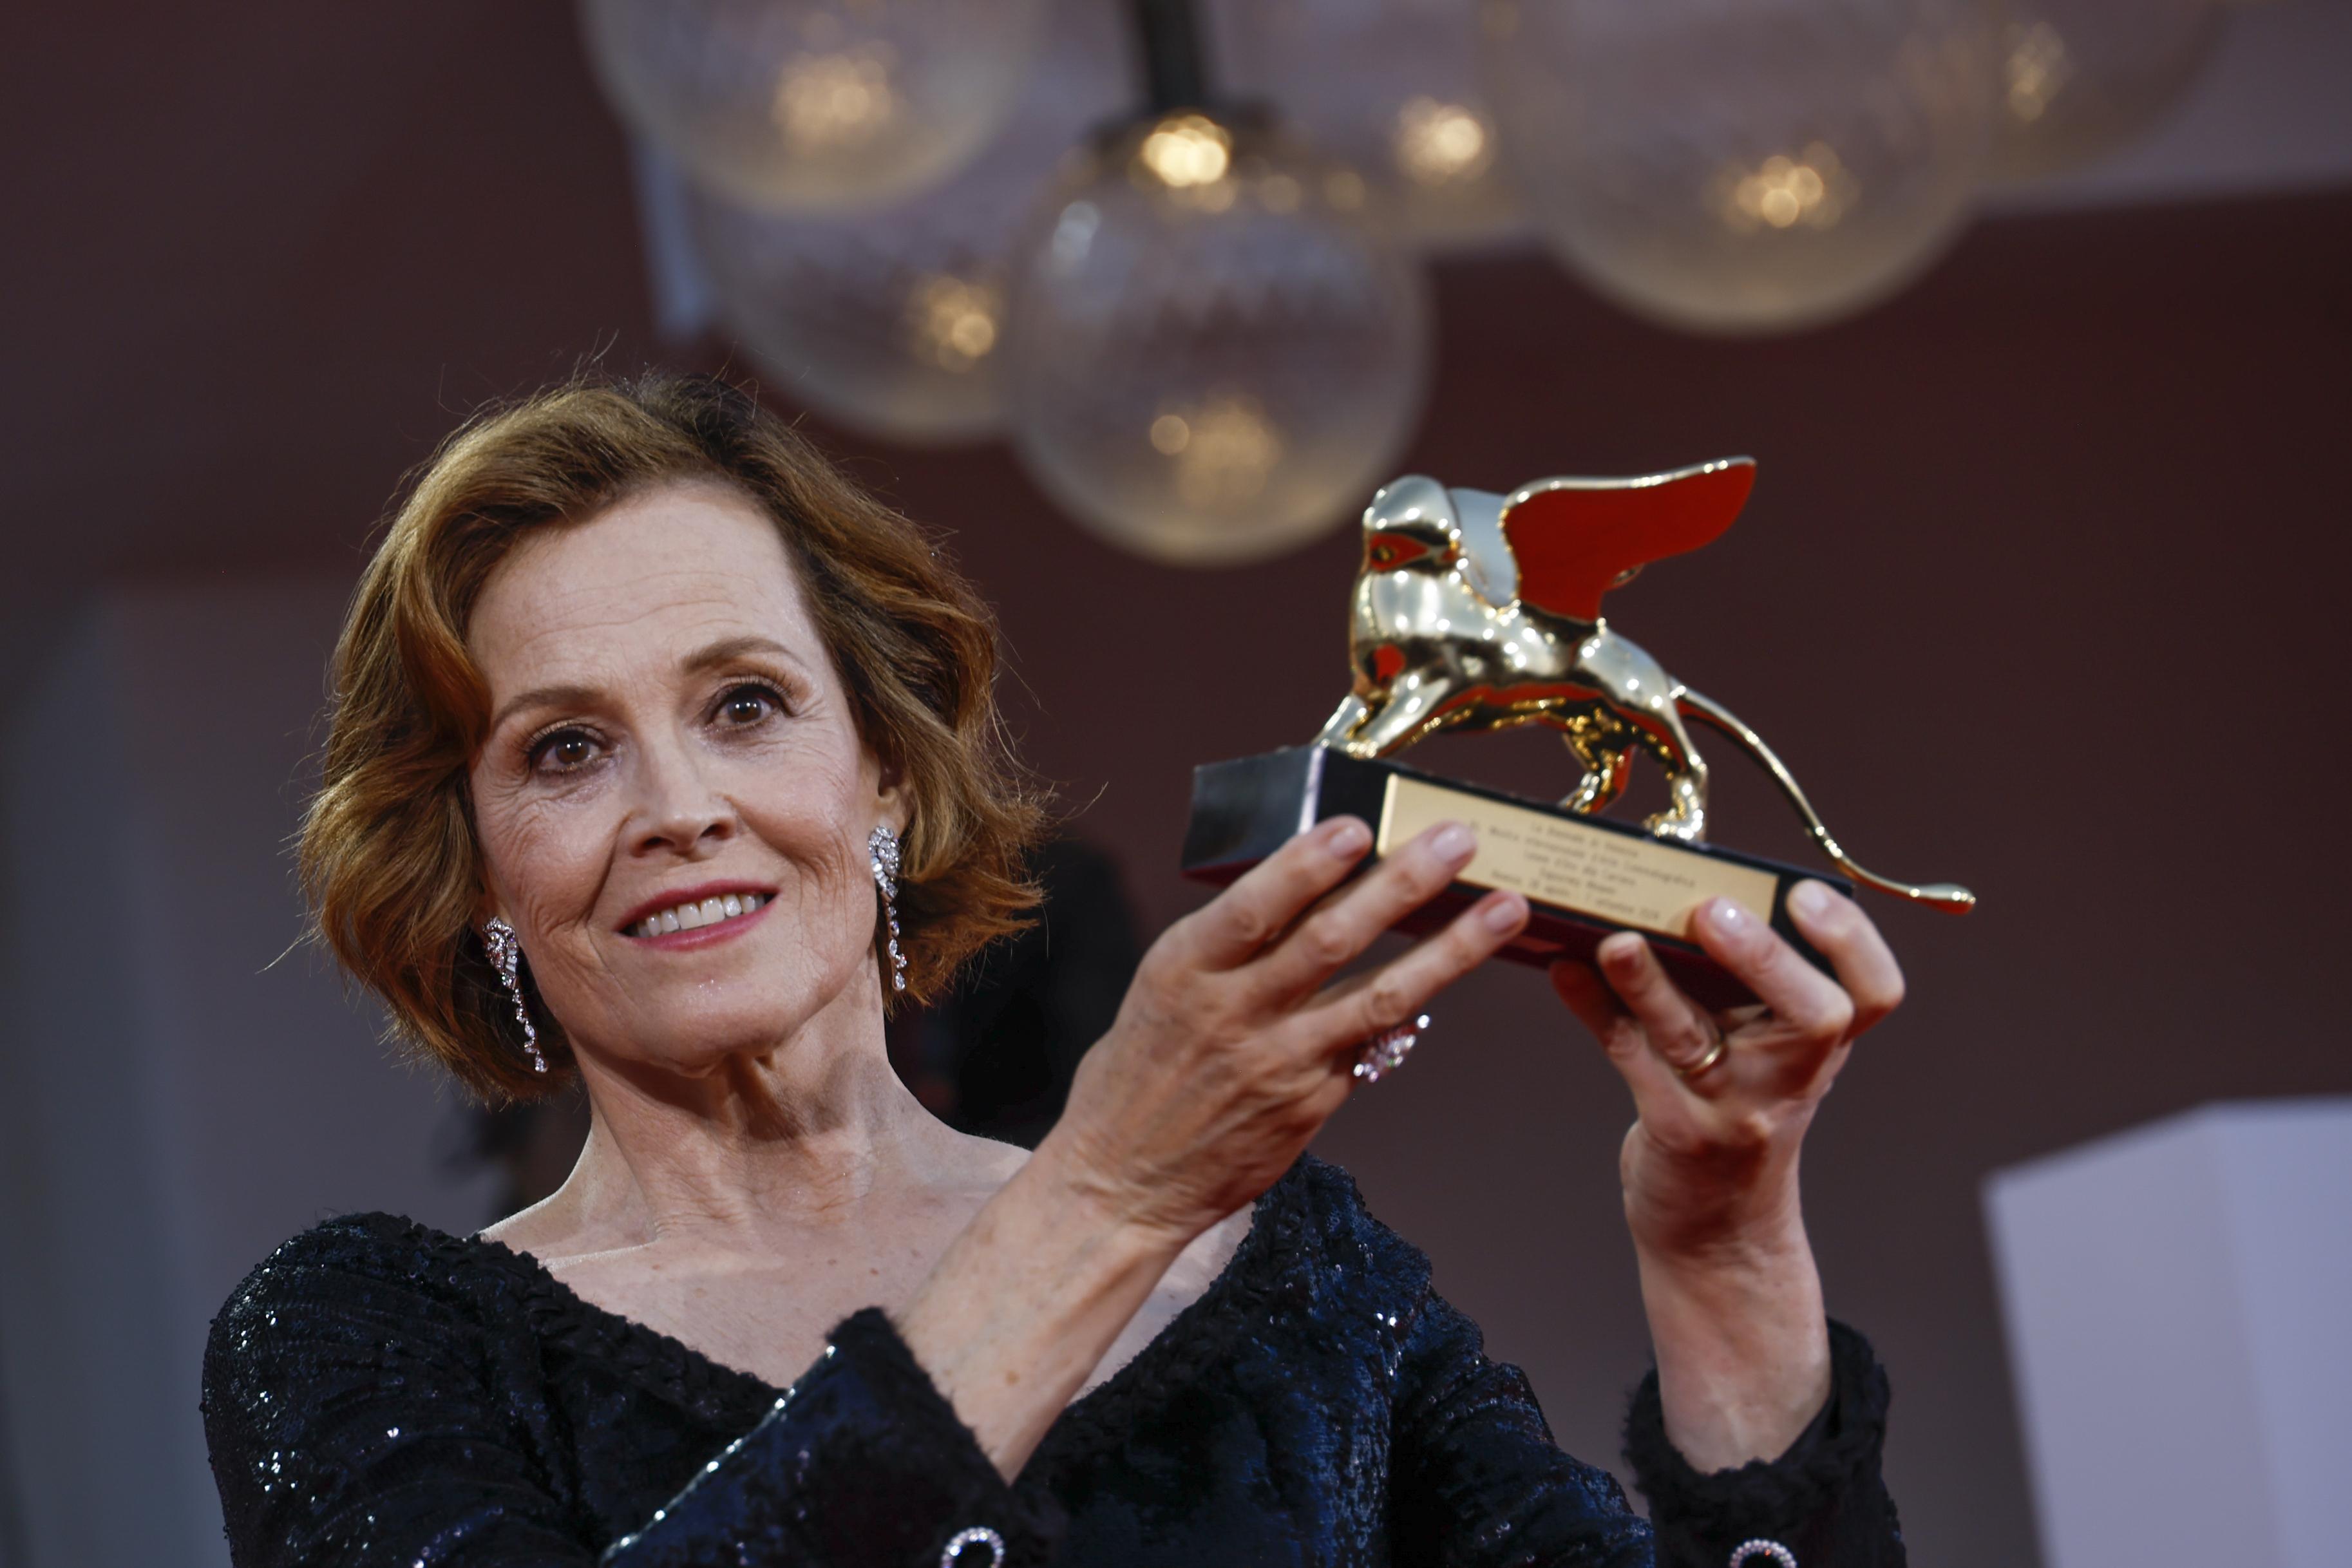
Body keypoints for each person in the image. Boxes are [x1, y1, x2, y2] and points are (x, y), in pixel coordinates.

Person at [202, 373, 1910, 1567]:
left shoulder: (1290, 1274)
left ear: (883, 774)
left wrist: (1724, 1251)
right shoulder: (368, 1342)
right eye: (565, 750)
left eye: (745, 705)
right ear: (477, 868)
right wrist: (1105, 1201)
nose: (680, 808)